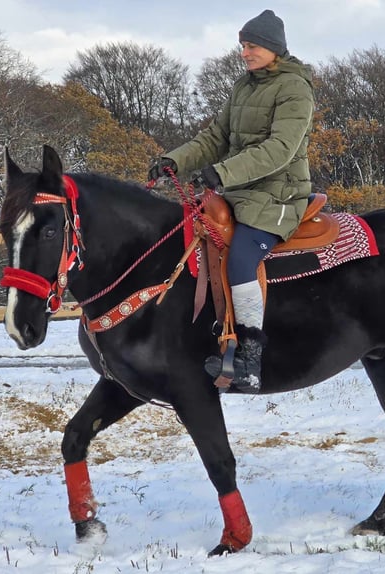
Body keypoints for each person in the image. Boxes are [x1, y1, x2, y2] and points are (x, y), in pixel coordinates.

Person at [149, 9, 314, 392]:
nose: (244, 52)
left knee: (240, 259)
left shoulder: (295, 88)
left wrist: (223, 173)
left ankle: (251, 357)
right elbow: (215, 138)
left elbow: (281, 149)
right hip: (240, 191)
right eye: (242, 45)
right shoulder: (245, 86)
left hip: (279, 194)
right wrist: (175, 158)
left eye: (252, 46)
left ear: (273, 48)